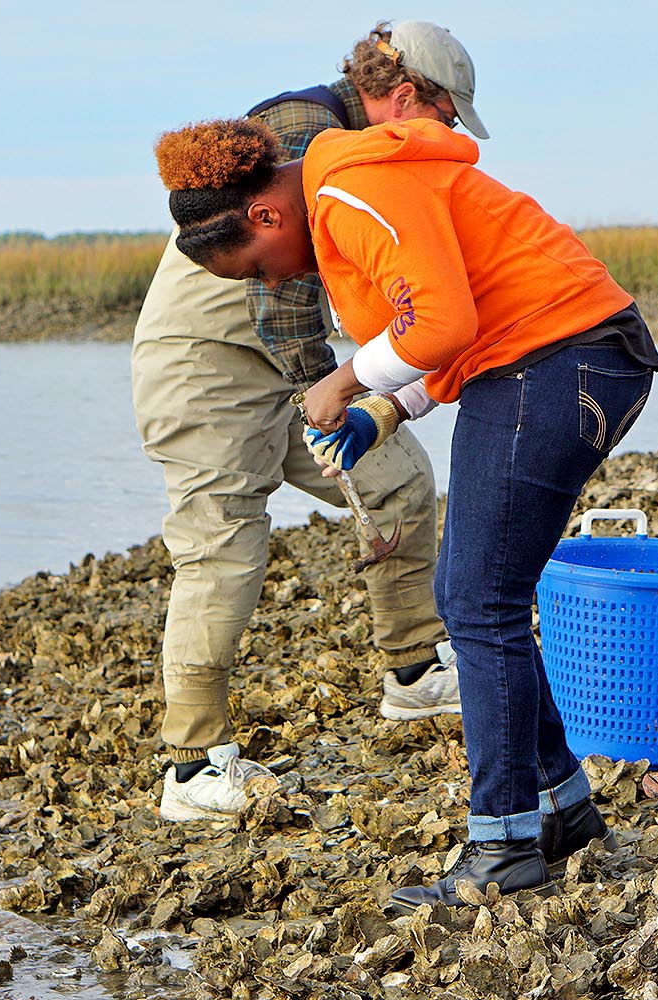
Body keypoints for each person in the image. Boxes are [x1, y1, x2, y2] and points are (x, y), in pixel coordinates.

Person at [153, 109, 658, 909]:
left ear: (265, 215)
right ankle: (560, 810)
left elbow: (444, 322)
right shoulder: (345, 194)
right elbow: (462, 321)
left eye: (258, 268)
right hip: (566, 359)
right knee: (484, 597)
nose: (276, 283)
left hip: (563, 360)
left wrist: (344, 381)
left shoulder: (350, 190)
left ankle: (502, 847)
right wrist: (384, 413)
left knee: (477, 601)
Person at [132, 21, 486, 823]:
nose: (453, 136)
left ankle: (412, 674)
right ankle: (191, 767)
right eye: (450, 118)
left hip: (296, 362)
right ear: (403, 99)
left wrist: (368, 400)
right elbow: (282, 297)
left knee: (400, 484)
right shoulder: (307, 132)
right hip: (206, 364)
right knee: (225, 545)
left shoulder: (368, 159)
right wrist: (340, 398)